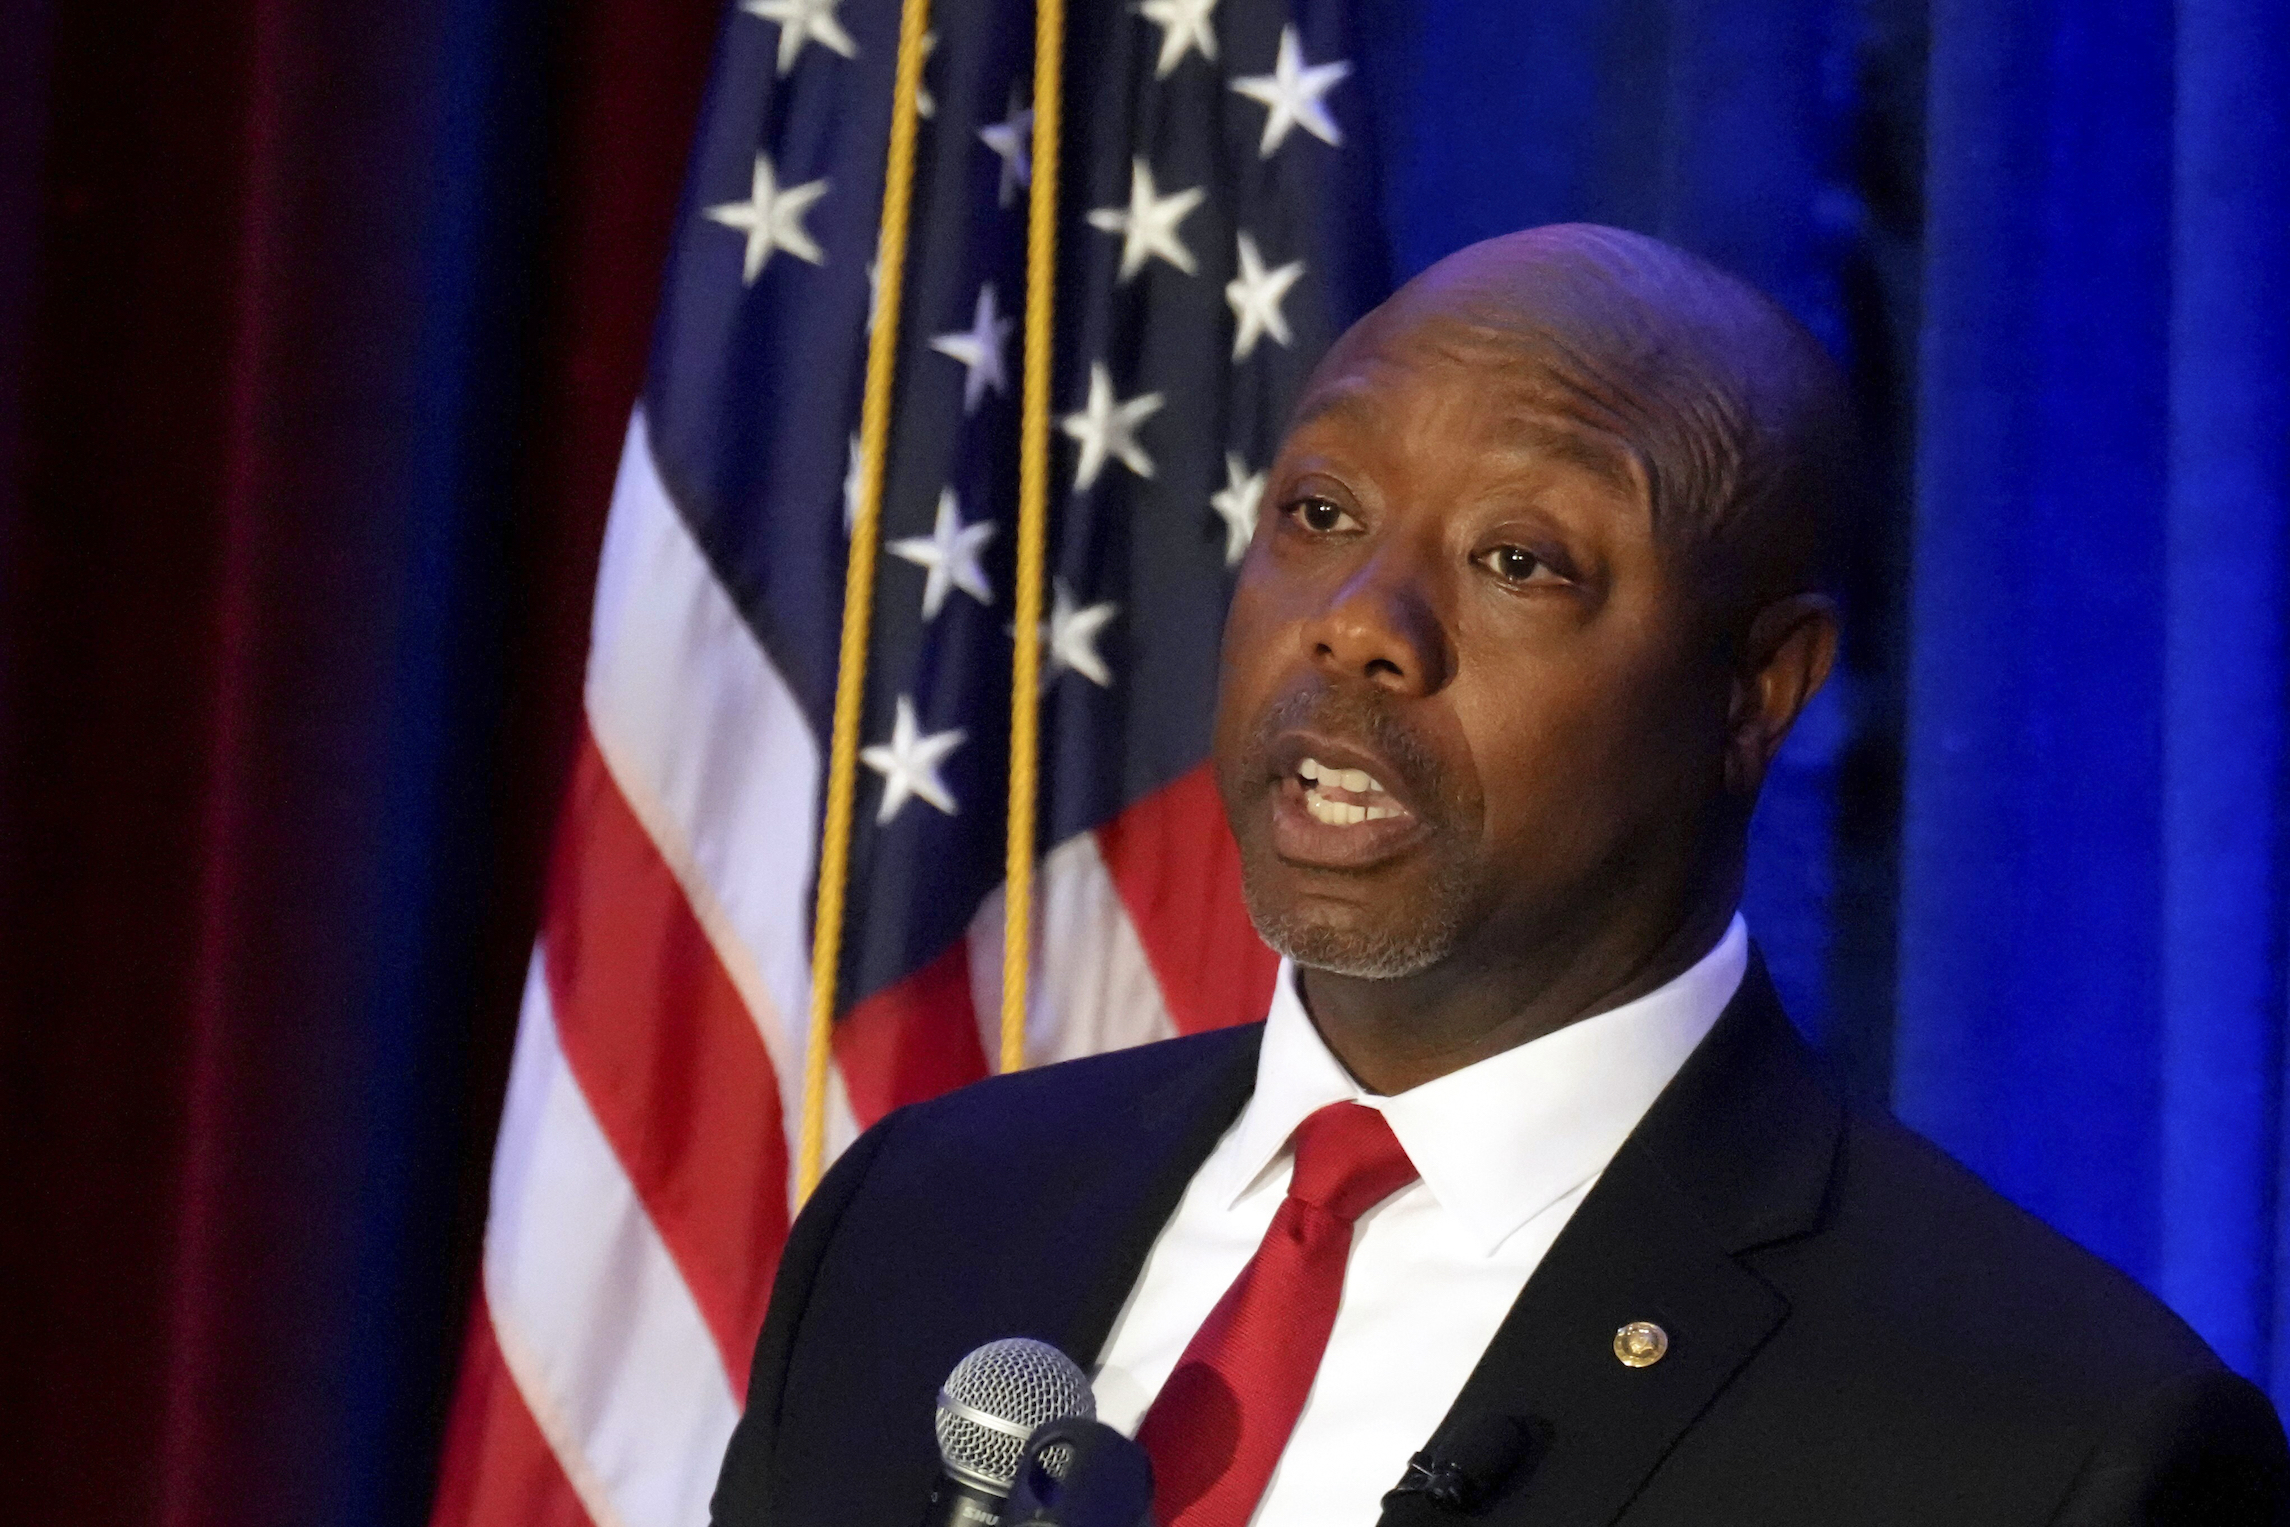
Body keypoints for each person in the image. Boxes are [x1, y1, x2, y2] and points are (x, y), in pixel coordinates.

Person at [710, 225, 2289, 1525]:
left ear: (1757, 690)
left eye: (1516, 561)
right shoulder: (922, 1220)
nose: (1357, 622)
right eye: (1319, 513)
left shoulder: (2046, 1447)